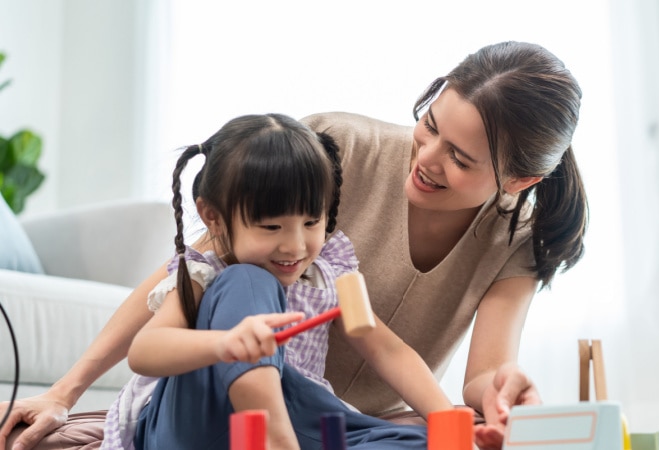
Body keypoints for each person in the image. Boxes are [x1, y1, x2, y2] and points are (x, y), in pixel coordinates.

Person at [0, 41, 587, 450]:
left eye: (459, 159)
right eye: (429, 126)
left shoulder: (340, 269)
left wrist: (470, 416)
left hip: (327, 419)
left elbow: (407, 355)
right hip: (216, 410)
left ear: (519, 181)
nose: (426, 159)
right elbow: (172, 297)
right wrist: (63, 391)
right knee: (247, 281)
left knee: (428, 437)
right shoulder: (333, 153)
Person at [117, 113, 453, 450]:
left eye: (311, 222)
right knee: (249, 279)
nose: (295, 246)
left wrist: (448, 422)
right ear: (213, 217)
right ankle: (273, 436)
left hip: (295, 420)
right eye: (271, 227)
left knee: (420, 439)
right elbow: (144, 352)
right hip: (197, 425)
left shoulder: (328, 278)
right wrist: (222, 345)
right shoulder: (205, 272)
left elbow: (388, 350)